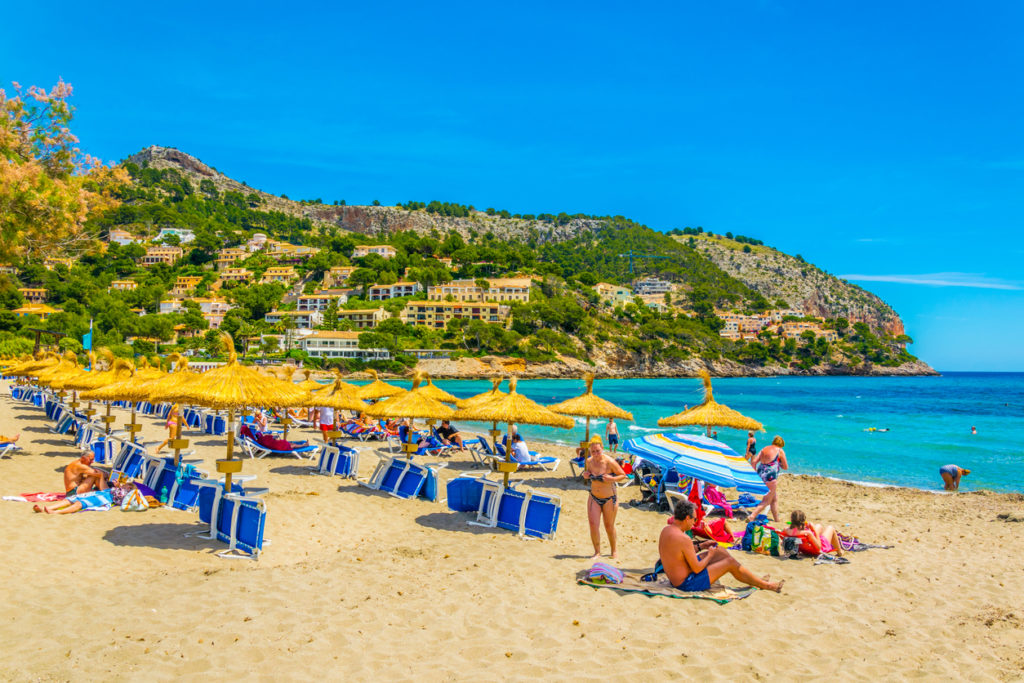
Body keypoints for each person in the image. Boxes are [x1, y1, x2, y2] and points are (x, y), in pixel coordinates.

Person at [659, 501, 783, 592]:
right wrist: (710, 555)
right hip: (686, 583)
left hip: (679, 575)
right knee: (729, 562)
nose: (694, 524)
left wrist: (702, 546)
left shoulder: (666, 530)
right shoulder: (684, 538)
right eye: (694, 520)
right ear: (687, 518)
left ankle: (754, 580)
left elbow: (679, 554)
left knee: (720, 551)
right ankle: (766, 585)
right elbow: (697, 569)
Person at [582, 437, 627, 560]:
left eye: (598, 450)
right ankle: (597, 552)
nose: (596, 454)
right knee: (593, 525)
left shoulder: (610, 462)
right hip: (593, 497)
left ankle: (614, 551)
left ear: (602, 448)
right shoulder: (589, 461)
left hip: (609, 498)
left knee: (609, 526)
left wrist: (612, 479)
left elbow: (623, 475)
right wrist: (585, 475)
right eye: (593, 451)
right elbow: (587, 474)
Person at [748, 435, 788, 522]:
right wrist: (779, 464)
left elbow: (754, 462)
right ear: (781, 444)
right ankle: (752, 516)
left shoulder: (764, 449)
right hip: (770, 476)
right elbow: (785, 467)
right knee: (766, 500)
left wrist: (755, 475)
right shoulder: (780, 451)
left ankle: (777, 519)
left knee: (774, 498)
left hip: (761, 474)